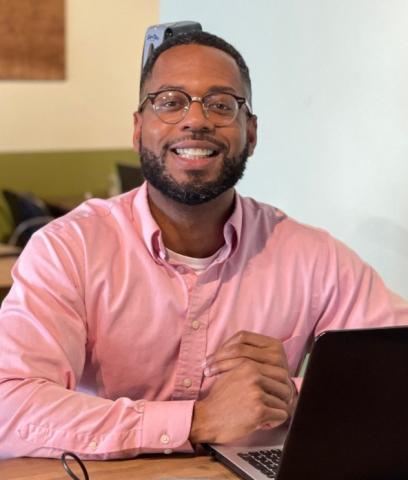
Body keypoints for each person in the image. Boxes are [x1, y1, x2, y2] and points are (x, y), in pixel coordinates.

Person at [0, 30, 407, 460]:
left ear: (250, 132)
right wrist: (198, 421)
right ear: (139, 130)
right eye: (170, 102)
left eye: (220, 104)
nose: (196, 120)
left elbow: (396, 372)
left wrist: (293, 396)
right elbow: (9, 407)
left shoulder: (313, 257)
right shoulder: (69, 249)